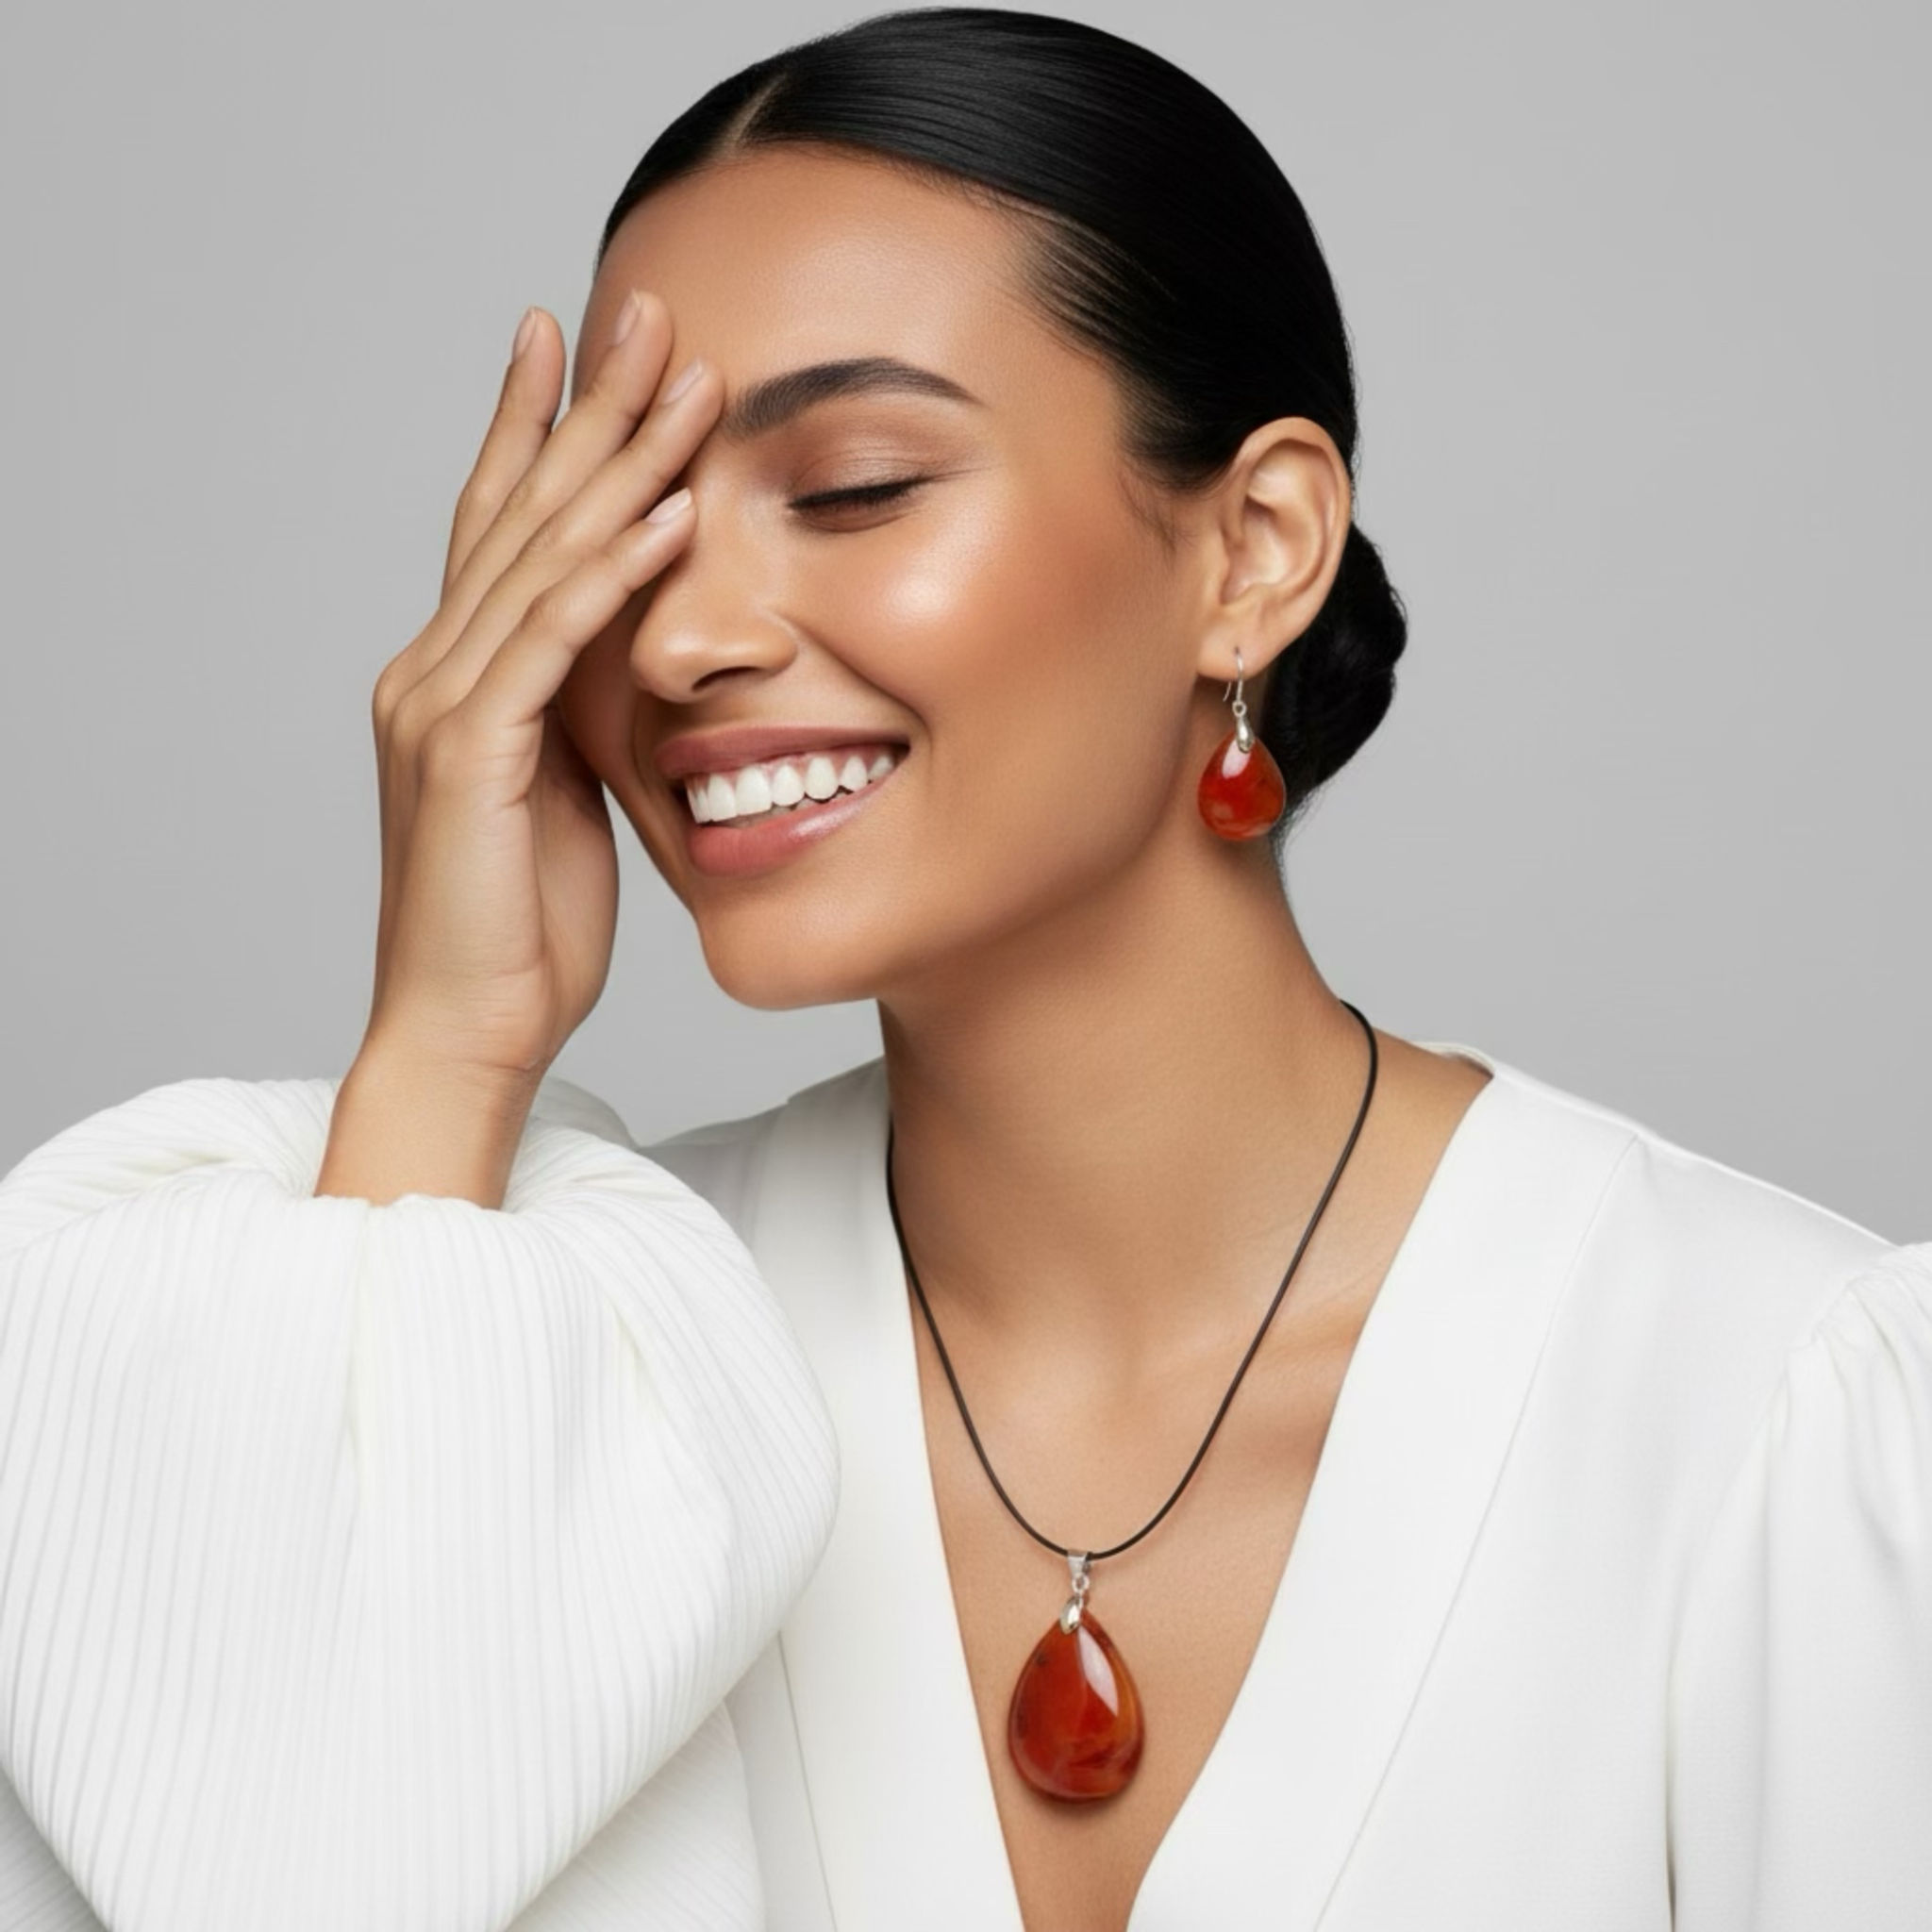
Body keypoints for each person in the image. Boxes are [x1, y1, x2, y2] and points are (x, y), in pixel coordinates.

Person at [2, 8, 1926, 1930]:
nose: (679, 640)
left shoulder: (1765, 1407)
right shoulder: (576, 1358)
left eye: (847, 487)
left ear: (1253, 549)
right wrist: (439, 1048)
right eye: (625, 519)